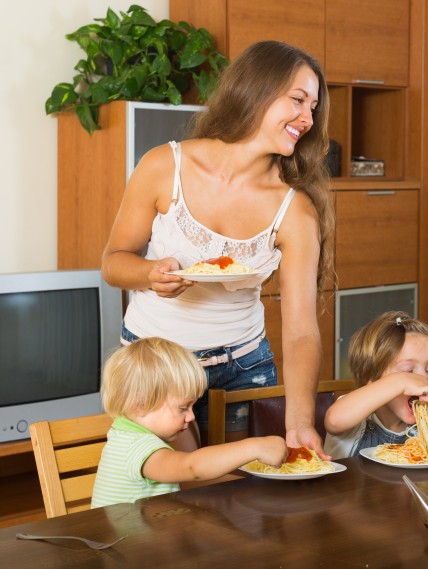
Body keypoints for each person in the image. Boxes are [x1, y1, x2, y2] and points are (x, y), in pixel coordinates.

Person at [101, 41, 333, 456]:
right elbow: (113, 263)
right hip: (155, 370)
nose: (307, 118)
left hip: (243, 369)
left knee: (238, 503)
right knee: (160, 506)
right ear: (256, 89)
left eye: (313, 107)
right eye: (298, 100)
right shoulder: (164, 166)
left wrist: (299, 422)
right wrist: (150, 275)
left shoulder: (295, 211)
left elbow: (300, 332)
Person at [91, 337, 288, 508]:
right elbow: (191, 467)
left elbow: (187, 480)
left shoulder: (131, 434)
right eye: (183, 408)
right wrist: (255, 447)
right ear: (140, 405)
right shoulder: (136, 447)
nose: (191, 417)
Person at [324, 311, 428, 459]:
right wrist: (401, 382)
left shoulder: (427, 419)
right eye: (408, 371)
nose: (422, 380)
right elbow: (334, 420)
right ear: (372, 377)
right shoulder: (355, 415)